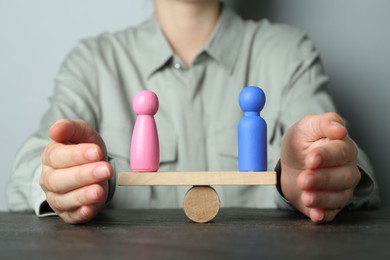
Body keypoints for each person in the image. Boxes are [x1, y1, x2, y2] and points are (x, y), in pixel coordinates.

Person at [6, 0, 380, 224]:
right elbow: (29, 168)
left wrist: (320, 169)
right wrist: (64, 176)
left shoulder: (288, 52)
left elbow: (342, 153)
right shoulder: (92, 62)